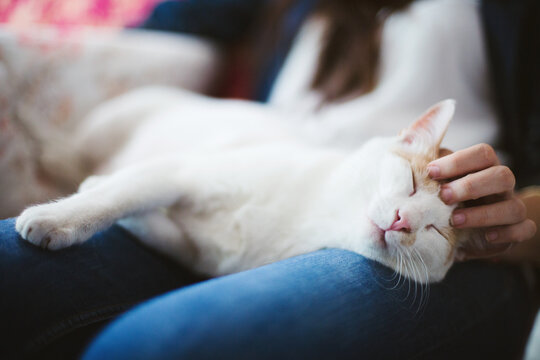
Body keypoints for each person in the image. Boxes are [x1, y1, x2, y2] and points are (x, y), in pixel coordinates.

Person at [0, 0, 538, 359]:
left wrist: (516, 222)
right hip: (282, 182)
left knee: (162, 345)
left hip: (430, 250)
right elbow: (165, 29)